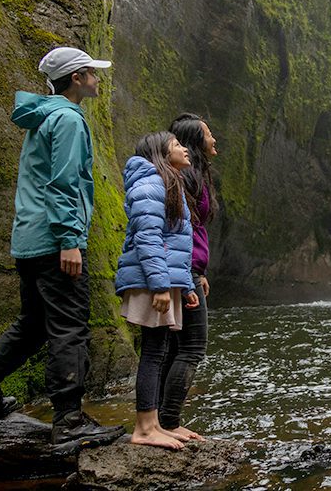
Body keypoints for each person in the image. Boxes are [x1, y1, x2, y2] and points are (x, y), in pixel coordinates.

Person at [0, 47, 124, 447]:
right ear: (77, 78)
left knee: (32, 325)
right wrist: (70, 241)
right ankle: (68, 421)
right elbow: (63, 183)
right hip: (55, 242)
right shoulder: (67, 119)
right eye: (91, 73)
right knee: (70, 327)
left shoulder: (43, 117)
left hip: (29, 241)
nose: (97, 79)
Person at [114, 132, 199, 449]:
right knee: (153, 352)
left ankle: (156, 423)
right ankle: (145, 428)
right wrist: (161, 286)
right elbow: (149, 239)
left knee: (160, 349)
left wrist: (185, 285)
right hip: (152, 280)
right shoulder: (151, 184)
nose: (185, 149)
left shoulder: (165, 182)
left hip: (162, 278)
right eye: (177, 145)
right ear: (161, 153)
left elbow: (176, 243)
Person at [155, 113, 219, 441]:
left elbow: (194, 228)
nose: (214, 140)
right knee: (192, 346)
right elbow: (179, 229)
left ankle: (160, 421)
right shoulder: (185, 178)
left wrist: (199, 270)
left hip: (188, 268)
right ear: (195, 139)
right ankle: (167, 421)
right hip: (181, 269)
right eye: (209, 135)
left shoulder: (192, 177)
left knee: (174, 346)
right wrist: (188, 271)